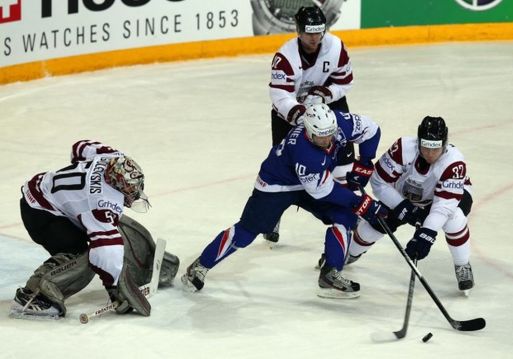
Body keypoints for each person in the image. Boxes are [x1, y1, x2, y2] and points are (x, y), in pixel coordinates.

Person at [181, 104, 387, 298]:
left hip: (312, 182)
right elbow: (323, 191)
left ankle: (330, 273)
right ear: (308, 130)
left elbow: (371, 130)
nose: (327, 141)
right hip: (277, 184)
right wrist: (362, 203)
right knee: (246, 232)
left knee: (345, 216)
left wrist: (365, 163)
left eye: (330, 135)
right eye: (320, 137)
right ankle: (200, 266)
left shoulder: (339, 122)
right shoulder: (305, 152)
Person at [10, 140, 179, 320]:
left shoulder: (113, 158)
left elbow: (79, 147)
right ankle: (34, 296)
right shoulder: (101, 202)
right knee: (80, 255)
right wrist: (114, 287)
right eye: (129, 191)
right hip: (40, 213)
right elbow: (105, 250)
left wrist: (80, 183)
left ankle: (145, 264)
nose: (133, 195)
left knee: (115, 226)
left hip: (44, 190)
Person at [347, 116, 475, 294]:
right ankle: (350, 254)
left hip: (443, 199)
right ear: (418, 141)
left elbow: (444, 205)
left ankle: (462, 264)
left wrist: (427, 232)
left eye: (435, 148)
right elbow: (379, 182)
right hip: (403, 195)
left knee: (454, 219)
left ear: (444, 144)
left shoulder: (453, 162)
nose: (430, 154)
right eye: (425, 147)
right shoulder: (403, 148)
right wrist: (401, 206)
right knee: (378, 222)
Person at [266, 5, 355, 243]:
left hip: (326, 107)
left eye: (319, 32)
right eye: (309, 33)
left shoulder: (335, 47)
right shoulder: (285, 57)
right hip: (290, 114)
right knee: (283, 164)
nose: (315, 38)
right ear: (298, 31)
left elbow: (345, 82)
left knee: (344, 156)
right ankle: (273, 214)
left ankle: (348, 206)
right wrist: (300, 116)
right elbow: (280, 96)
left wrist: (326, 94)